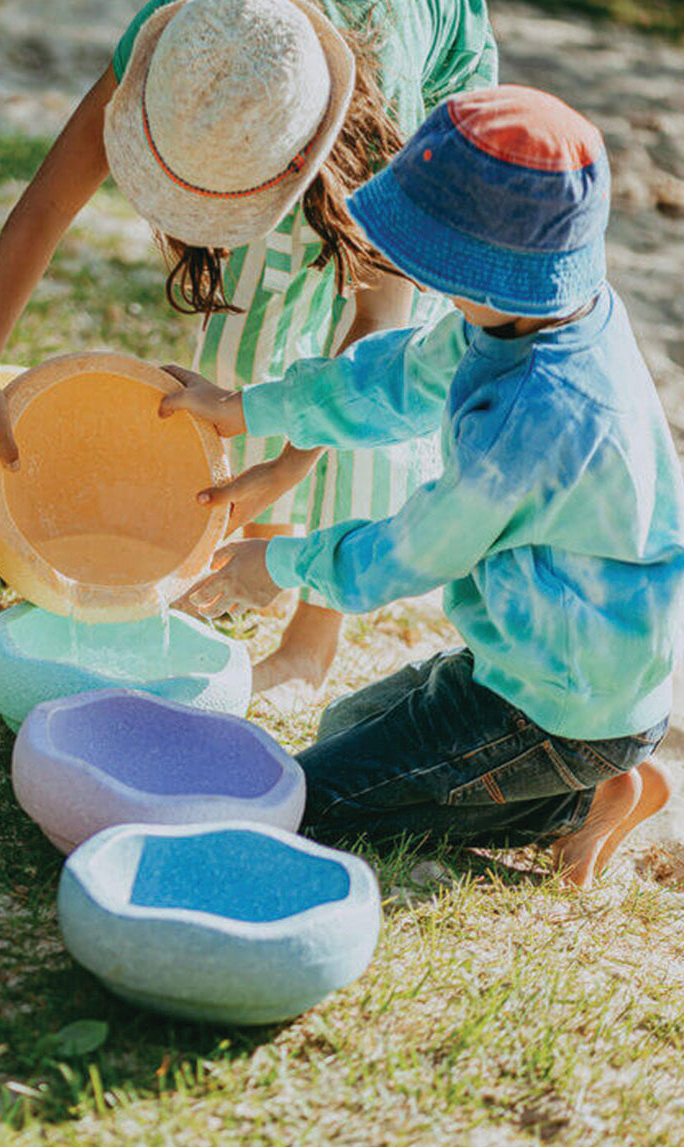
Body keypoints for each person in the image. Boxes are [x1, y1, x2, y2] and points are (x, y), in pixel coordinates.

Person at [164, 84, 682, 888]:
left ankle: (580, 796)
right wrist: (245, 410)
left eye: (437, 259)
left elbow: (410, 551)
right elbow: (397, 379)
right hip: (538, 660)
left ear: (494, 269)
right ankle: (590, 780)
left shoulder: (535, 415)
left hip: (558, 704)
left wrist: (274, 565)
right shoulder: (538, 312)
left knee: (311, 804)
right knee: (344, 727)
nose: (416, 273)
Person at [0, 0, 498, 703]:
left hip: (420, 80)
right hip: (294, 92)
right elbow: (46, 201)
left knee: (361, 392)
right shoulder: (189, 35)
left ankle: (312, 635)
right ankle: (259, 541)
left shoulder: (384, 111)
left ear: (299, 160)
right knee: (243, 337)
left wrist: (287, 468)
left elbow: (374, 329)